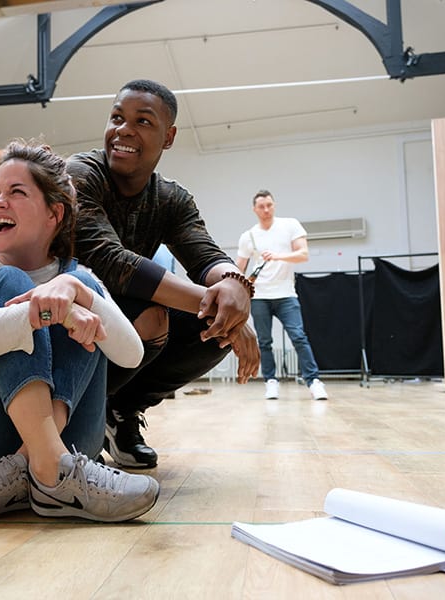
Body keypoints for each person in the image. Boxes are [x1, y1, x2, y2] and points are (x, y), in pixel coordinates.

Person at [0, 139, 159, 523]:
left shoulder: (81, 277)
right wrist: (50, 315)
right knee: (9, 282)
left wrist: (79, 294)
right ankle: (50, 472)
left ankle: (31, 466)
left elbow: (131, 354)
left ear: (54, 214)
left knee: (79, 293)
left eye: (17, 192)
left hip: (73, 445)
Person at [67, 79, 261, 469]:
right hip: (67, 319)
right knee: (159, 314)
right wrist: (223, 302)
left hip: (122, 319)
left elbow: (205, 255)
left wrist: (234, 286)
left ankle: (121, 411)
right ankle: (77, 412)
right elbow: (112, 262)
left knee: (214, 328)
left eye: (143, 121)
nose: (124, 129)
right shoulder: (79, 174)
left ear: (168, 137)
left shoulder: (172, 198)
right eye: (117, 117)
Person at [236, 189, 328, 401]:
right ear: (254, 209)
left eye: (269, 205)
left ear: (274, 205)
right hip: (259, 297)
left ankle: (313, 381)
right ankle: (271, 382)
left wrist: (278, 256)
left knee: (299, 337)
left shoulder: (290, 225)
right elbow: (239, 267)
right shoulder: (248, 236)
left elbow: (303, 254)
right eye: (261, 206)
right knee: (264, 341)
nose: (266, 210)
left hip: (286, 294)